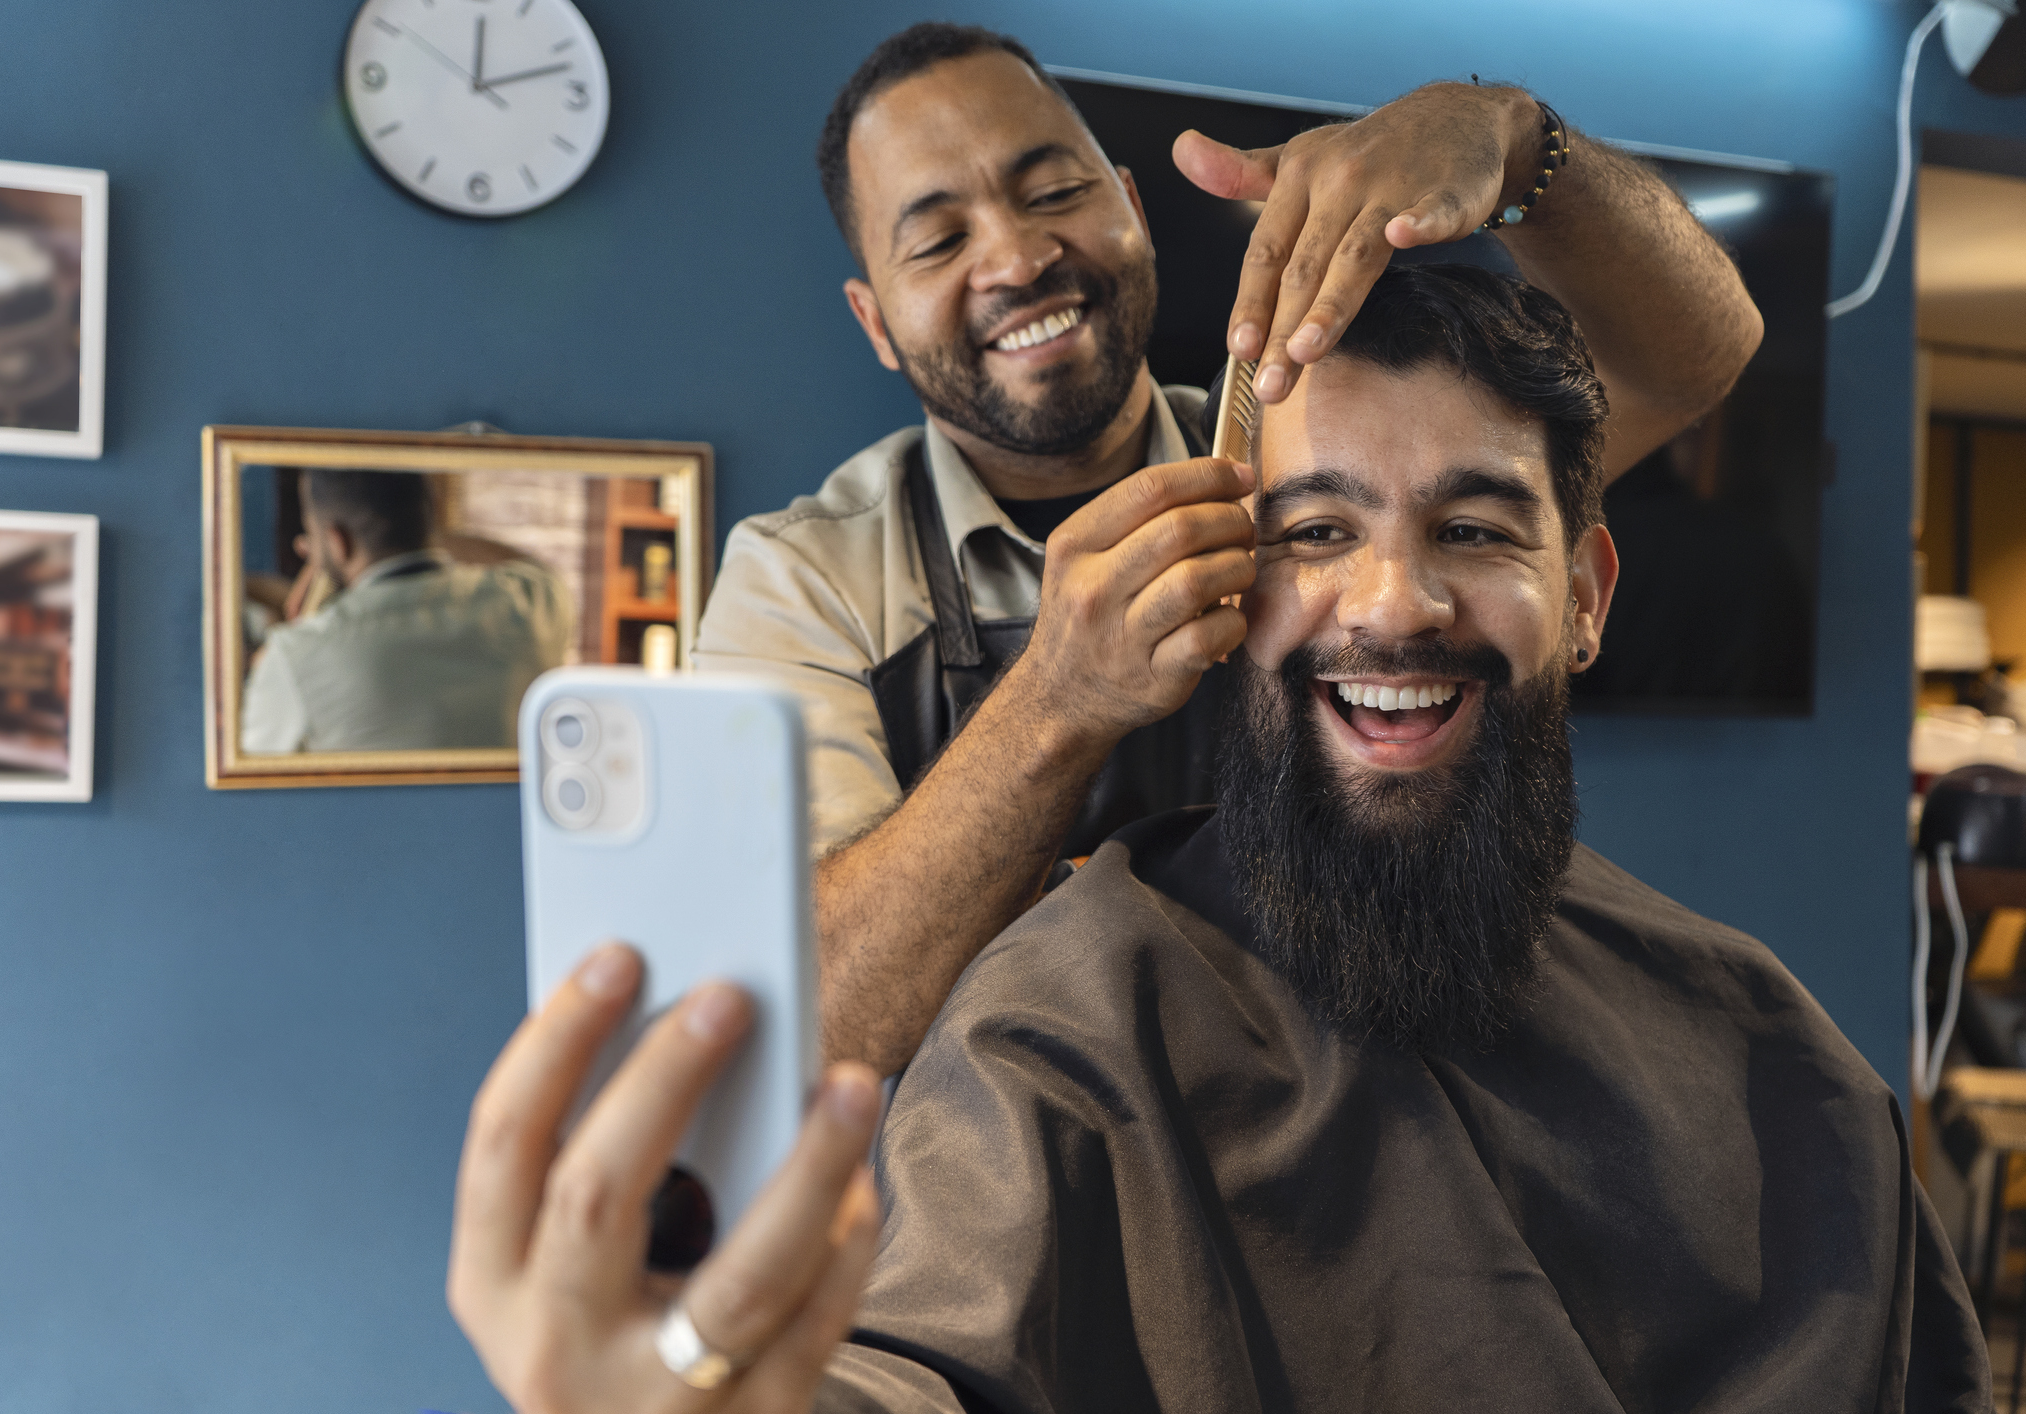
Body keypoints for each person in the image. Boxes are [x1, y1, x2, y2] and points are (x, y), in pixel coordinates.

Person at [449, 265, 1992, 1412]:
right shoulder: (1066, 1027)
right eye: (1314, 532)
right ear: (1223, 594)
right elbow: (922, 1367)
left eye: (1472, 528)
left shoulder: (1767, 1040)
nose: (1394, 601)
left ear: (1582, 595)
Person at [692, 23, 1766, 1075]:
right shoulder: (804, 581)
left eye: (1056, 191)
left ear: (1133, 207)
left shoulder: (1311, 437)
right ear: (875, 321)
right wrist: (1055, 702)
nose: (1017, 258)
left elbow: (1699, 361)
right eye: (937, 241)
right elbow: (816, 1017)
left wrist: (1521, 148)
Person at [241, 469, 572, 753]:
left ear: (338, 541)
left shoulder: (295, 656)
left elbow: (248, 787)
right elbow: (533, 568)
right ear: (427, 517)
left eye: (311, 536)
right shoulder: (530, 603)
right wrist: (425, 533)